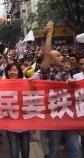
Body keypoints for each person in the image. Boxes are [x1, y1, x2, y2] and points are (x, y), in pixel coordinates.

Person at [40, 21, 81, 158]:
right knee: (54, 148)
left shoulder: (67, 73)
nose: (62, 57)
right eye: (58, 56)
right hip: (55, 115)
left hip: (69, 114)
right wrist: (49, 34)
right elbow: (46, 54)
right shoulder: (48, 72)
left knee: (74, 146)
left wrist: (73, 84)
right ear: (50, 61)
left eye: (61, 55)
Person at [4, 62, 30, 158]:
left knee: (25, 149)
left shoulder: (26, 82)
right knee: (14, 149)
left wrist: (32, 83)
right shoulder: (3, 84)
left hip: (25, 122)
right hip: (11, 123)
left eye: (15, 70)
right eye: (10, 70)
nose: (12, 72)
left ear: (19, 72)